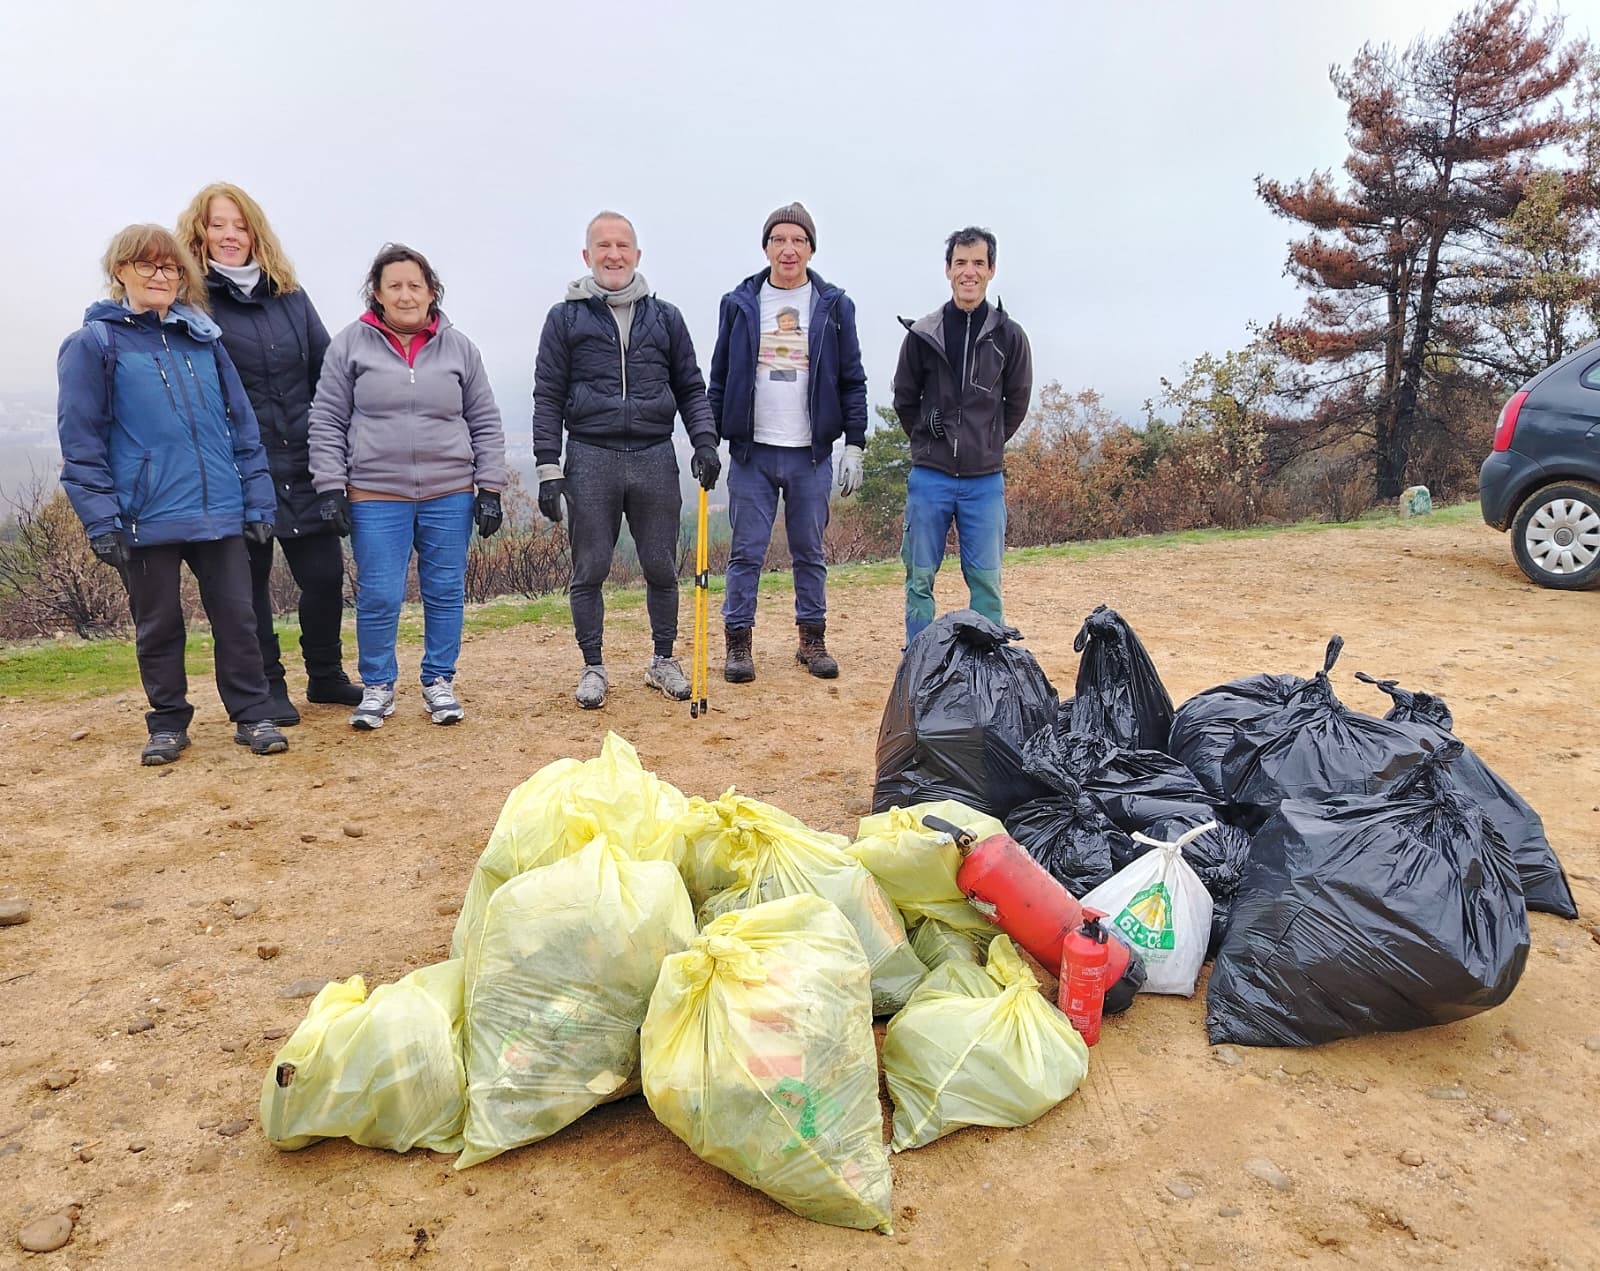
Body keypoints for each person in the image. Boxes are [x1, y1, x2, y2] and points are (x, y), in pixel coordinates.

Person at [56, 225, 289, 765]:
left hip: (219, 511)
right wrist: (100, 519)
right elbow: (81, 438)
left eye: (171, 268)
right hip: (143, 514)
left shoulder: (204, 340)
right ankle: (167, 723)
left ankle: (253, 715)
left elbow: (242, 429)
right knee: (158, 625)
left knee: (239, 618)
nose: (161, 277)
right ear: (120, 272)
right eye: (148, 266)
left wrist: (257, 503)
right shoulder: (94, 344)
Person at [177, 182, 361, 725]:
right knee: (249, 586)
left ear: (256, 233)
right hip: (239, 469)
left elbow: (327, 375)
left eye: (240, 225)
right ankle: (269, 684)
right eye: (217, 225)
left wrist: (338, 451)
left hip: (305, 463)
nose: (230, 235)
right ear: (200, 234)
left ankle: (325, 674)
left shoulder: (292, 297)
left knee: (326, 576)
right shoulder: (193, 303)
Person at [308, 244, 506, 730]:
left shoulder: (460, 348)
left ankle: (439, 682)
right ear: (376, 293)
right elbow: (327, 418)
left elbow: (484, 420)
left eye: (414, 285)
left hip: (450, 491)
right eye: (394, 285)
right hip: (375, 492)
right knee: (378, 594)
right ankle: (377, 687)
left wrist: (491, 488)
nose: (405, 294)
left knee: (444, 591)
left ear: (431, 290)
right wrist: (331, 485)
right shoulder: (349, 345)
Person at [532, 211, 720, 710]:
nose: (613, 255)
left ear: (637, 255)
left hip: (654, 455)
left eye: (622, 246)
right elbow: (547, 395)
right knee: (589, 568)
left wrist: (705, 441)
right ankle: (593, 666)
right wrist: (549, 468)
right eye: (602, 246)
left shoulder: (667, 318)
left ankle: (663, 661)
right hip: (590, 456)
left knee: (661, 565)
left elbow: (690, 387)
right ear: (586, 256)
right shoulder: (564, 318)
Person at [708, 202, 867, 682]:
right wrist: (706, 440)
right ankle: (738, 644)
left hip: (810, 453)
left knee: (809, 552)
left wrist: (854, 443)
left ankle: (811, 640)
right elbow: (719, 377)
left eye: (798, 240)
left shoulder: (834, 306)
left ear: (811, 248)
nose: (788, 248)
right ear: (766, 247)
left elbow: (852, 379)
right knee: (746, 552)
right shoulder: (739, 304)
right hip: (752, 452)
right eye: (779, 239)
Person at [892, 226, 1033, 647]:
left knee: (986, 580)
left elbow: (1016, 403)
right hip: (930, 476)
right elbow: (904, 398)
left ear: (991, 270)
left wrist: (986, 442)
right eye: (960, 263)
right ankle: (919, 660)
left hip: (984, 481)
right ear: (948, 270)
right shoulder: (923, 334)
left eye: (977, 263)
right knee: (919, 577)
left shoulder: (1010, 337)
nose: (968, 272)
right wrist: (925, 433)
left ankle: (989, 664)